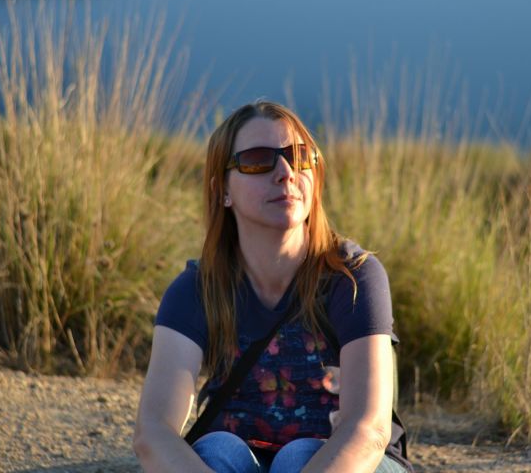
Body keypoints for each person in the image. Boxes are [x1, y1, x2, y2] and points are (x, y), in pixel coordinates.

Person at [133, 101, 409, 472]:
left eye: (300, 157)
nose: (286, 173)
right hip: (239, 462)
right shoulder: (197, 290)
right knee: (217, 449)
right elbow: (153, 431)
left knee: (299, 457)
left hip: (353, 463)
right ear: (222, 190)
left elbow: (368, 431)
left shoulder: (352, 278)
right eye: (258, 161)